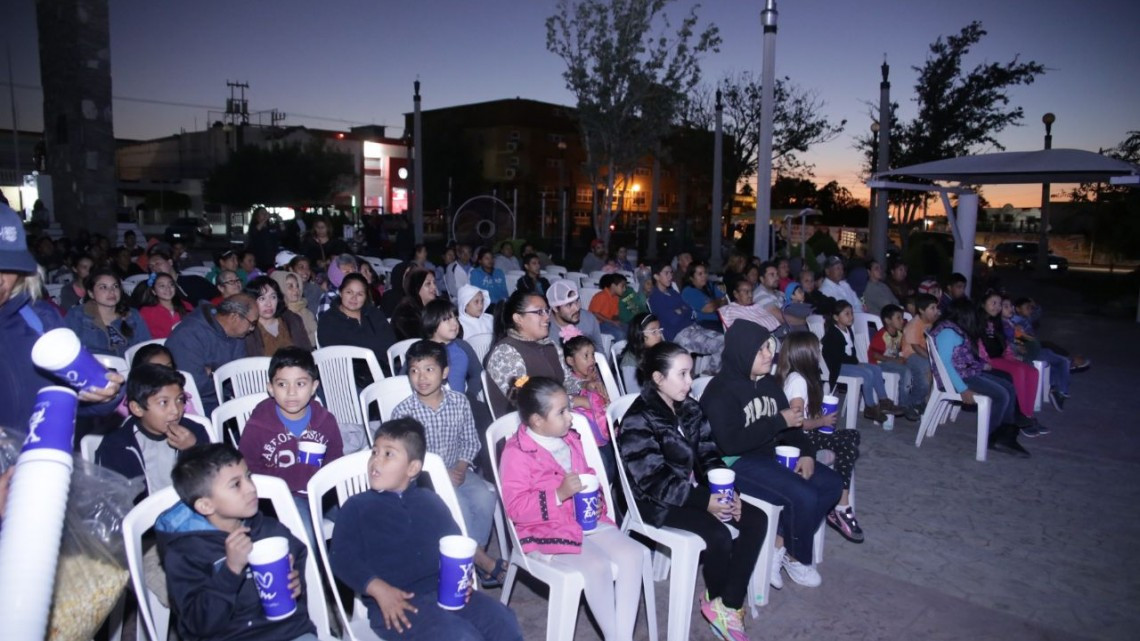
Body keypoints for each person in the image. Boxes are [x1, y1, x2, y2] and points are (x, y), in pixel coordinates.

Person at [619, 342, 766, 640]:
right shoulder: (639, 418)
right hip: (652, 500)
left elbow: (709, 454)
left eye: (690, 373)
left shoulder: (688, 407)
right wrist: (705, 500)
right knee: (719, 535)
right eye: (683, 374)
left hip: (687, 490)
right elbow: (652, 479)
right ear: (658, 378)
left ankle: (727, 604)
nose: (690, 382)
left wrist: (728, 491)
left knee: (756, 519)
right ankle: (720, 599)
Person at [329, 419, 524, 641]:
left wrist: (461, 578)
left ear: (412, 468)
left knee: (502, 620)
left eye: (388, 454)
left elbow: (454, 543)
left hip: (444, 591)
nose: (376, 460)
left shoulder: (429, 500)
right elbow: (341, 558)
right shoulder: (357, 506)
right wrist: (378, 589)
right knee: (460, 637)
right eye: (374, 452)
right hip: (396, 603)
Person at [501, 376, 646, 641]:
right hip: (545, 529)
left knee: (634, 554)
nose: (571, 417)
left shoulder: (570, 438)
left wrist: (597, 493)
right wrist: (557, 494)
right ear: (537, 421)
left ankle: (621, 636)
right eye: (562, 412)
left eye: (569, 407)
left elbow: (587, 472)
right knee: (597, 565)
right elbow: (516, 508)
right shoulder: (517, 453)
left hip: (584, 518)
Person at [700, 322, 840, 591]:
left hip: (768, 454)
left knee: (830, 484)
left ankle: (783, 546)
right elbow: (729, 444)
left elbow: (793, 424)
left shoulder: (768, 385)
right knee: (804, 495)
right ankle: (797, 556)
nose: (769, 354)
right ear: (742, 352)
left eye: (769, 347)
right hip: (735, 463)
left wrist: (808, 454)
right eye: (760, 349)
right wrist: (777, 422)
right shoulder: (720, 391)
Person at [156, 444, 318, 641]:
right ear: (206, 505)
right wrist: (231, 570)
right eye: (236, 484)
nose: (251, 487)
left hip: (288, 632)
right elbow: (198, 624)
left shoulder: (269, 529)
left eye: (248, 476)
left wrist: (296, 581)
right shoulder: (185, 552)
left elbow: (298, 556)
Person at [391, 341, 506, 587]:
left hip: (458, 468)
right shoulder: (403, 412)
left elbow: (470, 440)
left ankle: (466, 561)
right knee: (461, 507)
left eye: (429, 369)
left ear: (444, 372)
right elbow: (406, 458)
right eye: (414, 370)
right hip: (423, 478)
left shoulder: (459, 402)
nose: (421, 377)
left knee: (486, 496)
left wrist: (462, 467)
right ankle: (483, 562)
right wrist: (440, 473)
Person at [0, 207, 124, 429]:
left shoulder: (40, 320)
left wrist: (106, 392)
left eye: (8, 267)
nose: (1, 280)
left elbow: (73, 399)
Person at [240, 347, 343, 537]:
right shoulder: (258, 426)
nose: (291, 393)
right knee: (304, 533)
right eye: (282, 384)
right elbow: (248, 469)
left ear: (314, 387)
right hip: (282, 498)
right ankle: (311, 566)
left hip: (322, 493)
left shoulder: (325, 420)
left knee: (358, 517)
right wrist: (296, 476)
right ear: (270, 388)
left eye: (301, 384)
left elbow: (335, 460)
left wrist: (318, 482)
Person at [776, 332, 865, 543]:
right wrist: (821, 422)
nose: (820, 353)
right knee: (847, 445)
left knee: (852, 435)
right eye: (817, 349)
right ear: (806, 354)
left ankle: (840, 505)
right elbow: (796, 422)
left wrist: (816, 417)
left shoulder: (797, 377)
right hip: (799, 440)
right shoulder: (797, 381)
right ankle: (841, 506)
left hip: (804, 434)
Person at [931, 299, 1028, 457]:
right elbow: (945, 364)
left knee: (1008, 386)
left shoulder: (956, 329)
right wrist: (963, 389)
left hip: (965, 374)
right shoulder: (947, 332)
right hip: (957, 379)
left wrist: (981, 366)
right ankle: (991, 436)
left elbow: (962, 358)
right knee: (1001, 395)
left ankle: (1007, 432)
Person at [95, 364, 208, 499]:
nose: (175, 410)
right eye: (163, 402)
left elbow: (214, 481)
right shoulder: (116, 446)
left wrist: (194, 449)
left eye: (180, 400)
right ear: (137, 408)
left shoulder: (195, 432)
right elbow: (113, 500)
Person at [484, 289, 581, 417]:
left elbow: (567, 381)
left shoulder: (549, 345)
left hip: (558, 417)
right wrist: (574, 402)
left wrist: (586, 385)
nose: (547, 317)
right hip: (524, 429)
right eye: (539, 312)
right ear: (518, 318)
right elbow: (525, 401)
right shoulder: (506, 353)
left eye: (547, 311)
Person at [166, 294, 256, 416]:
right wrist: (221, 376)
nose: (252, 329)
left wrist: (213, 373)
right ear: (234, 317)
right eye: (252, 323)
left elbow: (240, 374)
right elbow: (195, 385)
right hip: (199, 405)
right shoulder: (187, 335)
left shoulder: (236, 334)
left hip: (229, 398)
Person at [821, 300, 905, 423]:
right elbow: (837, 357)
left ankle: (884, 401)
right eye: (847, 314)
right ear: (836, 317)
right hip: (837, 367)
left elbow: (851, 352)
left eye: (851, 313)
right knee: (867, 373)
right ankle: (870, 406)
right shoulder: (833, 334)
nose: (851, 317)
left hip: (847, 363)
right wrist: (855, 363)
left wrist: (856, 362)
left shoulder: (848, 330)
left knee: (875, 368)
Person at [979, 292, 1046, 436]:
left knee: (1032, 371)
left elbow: (1005, 345)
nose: (996, 307)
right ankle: (1019, 415)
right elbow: (978, 345)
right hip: (988, 361)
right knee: (1018, 372)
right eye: (993, 303)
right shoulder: (980, 321)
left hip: (1001, 358)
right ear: (983, 304)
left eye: (999, 304)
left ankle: (1028, 414)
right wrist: (985, 360)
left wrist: (1012, 357)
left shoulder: (997, 323)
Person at [646, 260, 724, 374]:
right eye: (666, 273)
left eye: (671, 273)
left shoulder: (673, 293)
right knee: (719, 346)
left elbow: (689, 310)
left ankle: (703, 373)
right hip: (679, 334)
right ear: (656, 276)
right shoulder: (655, 298)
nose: (670, 276)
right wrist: (681, 311)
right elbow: (672, 319)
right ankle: (707, 378)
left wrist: (680, 311)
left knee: (725, 339)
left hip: (693, 327)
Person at [316, 273, 398, 379]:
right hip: (348, 378)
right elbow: (338, 354)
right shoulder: (329, 320)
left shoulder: (373, 313)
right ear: (340, 293)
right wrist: (372, 350)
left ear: (365, 297)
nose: (354, 298)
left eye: (360, 294)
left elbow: (390, 341)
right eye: (349, 292)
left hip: (383, 370)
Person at [561, 334, 616, 480]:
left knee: (616, 462)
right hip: (589, 439)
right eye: (586, 356)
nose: (592, 359)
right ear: (570, 361)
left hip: (605, 432)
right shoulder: (570, 384)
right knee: (604, 468)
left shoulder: (595, 376)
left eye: (592, 354)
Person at [1002, 295, 1071, 407]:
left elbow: (1036, 314)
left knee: (1054, 360)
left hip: (1032, 347)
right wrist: (1022, 339)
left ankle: (1056, 389)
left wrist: (1035, 307)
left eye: (1010, 306)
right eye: (1027, 307)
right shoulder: (1015, 321)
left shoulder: (1021, 319)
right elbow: (1017, 340)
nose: (1030, 310)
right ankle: (1061, 391)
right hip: (1028, 352)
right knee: (1061, 361)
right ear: (1018, 309)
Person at [65, 269, 152, 357]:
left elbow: (145, 347)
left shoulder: (132, 315)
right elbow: (66, 350)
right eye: (103, 287)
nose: (111, 291)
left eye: (115, 286)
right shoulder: (77, 315)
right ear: (91, 294)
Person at [243, 276, 312, 357]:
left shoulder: (292, 320)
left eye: (273, 297)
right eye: (262, 299)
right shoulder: (247, 329)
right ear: (251, 301)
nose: (269, 304)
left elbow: (307, 352)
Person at [147, 244, 216, 305]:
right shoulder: (154, 289)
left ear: (170, 262)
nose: (154, 268)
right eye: (151, 266)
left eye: (157, 263)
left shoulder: (194, 282)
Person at [546, 279, 606, 348]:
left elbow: (599, 348)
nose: (577, 308)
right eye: (569, 305)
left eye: (577, 301)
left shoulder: (589, 320)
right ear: (555, 308)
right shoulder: (545, 329)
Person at [138, 272, 194, 339]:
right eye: (162, 286)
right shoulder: (146, 312)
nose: (168, 288)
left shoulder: (186, 305)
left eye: (171, 285)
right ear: (154, 291)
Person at [618, 312, 665, 393]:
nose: (659, 335)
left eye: (659, 330)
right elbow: (634, 394)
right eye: (653, 331)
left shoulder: (655, 350)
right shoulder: (630, 363)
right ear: (639, 334)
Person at [270, 270, 318, 348]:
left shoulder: (305, 311)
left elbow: (317, 335)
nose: (296, 290)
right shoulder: (276, 315)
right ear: (280, 288)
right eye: (290, 286)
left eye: (297, 286)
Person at [391, 268, 439, 341]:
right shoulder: (405, 311)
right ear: (416, 288)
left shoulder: (437, 304)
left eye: (434, 283)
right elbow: (418, 339)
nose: (434, 287)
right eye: (428, 284)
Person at [681, 261, 727, 332]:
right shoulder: (688, 291)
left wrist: (716, 302)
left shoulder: (710, 285)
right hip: (703, 323)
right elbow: (709, 309)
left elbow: (725, 302)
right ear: (691, 277)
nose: (704, 276)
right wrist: (719, 301)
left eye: (705, 272)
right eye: (700, 274)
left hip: (721, 319)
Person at [588, 273, 629, 341]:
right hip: (597, 325)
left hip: (607, 323)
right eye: (622, 286)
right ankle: (618, 351)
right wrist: (612, 322)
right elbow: (595, 313)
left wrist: (617, 320)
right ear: (613, 286)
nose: (624, 289)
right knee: (620, 334)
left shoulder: (616, 298)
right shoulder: (601, 296)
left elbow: (615, 314)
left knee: (630, 328)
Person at [316, 254, 359, 319]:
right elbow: (325, 327)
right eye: (347, 272)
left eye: (354, 271)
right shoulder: (329, 298)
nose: (352, 275)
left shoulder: (359, 296)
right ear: (336, 274)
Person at [246, 207, 280, 272]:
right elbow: (254, 232)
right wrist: (265, 219)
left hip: (272, 259)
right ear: (257, 216)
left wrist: (280, 221)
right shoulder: (254, 227)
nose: (265, 214)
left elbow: (282, 234)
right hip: (260, 260)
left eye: (266, 212)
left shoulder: (271, 227)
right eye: (262, 213)